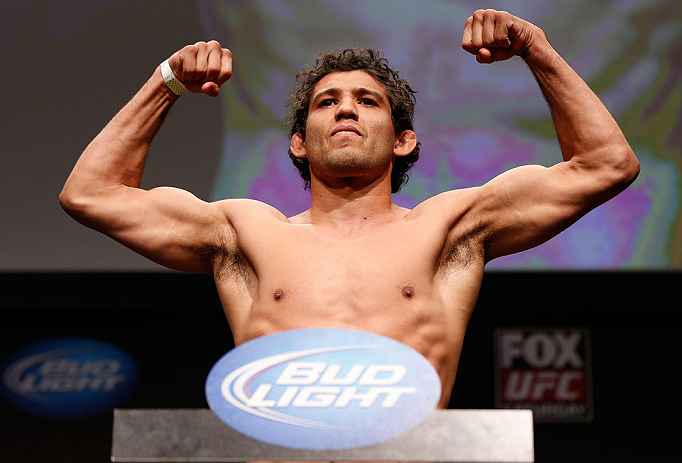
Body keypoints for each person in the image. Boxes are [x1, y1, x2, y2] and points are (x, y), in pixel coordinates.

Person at [60, 10, 639, 409]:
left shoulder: (448, 229)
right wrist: (166, 83)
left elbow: (605, 164)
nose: (345, 111)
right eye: (326, 102)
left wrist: (536, 50)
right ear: (297, 141)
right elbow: (91, 193)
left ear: (403, 140)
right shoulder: (246, 234)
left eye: (367, 101)